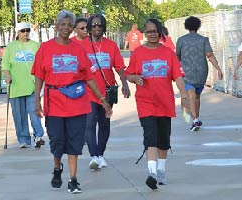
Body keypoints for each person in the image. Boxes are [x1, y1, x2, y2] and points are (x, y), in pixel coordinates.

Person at [31, 10, 112, 194]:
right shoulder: (45, 48)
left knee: (75, 143)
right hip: (55, 102)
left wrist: (102, 99)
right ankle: (57, 167)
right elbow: (38, 77)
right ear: (56, 25)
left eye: (69, 25)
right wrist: (37, 102)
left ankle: (73, 179)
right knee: (57, 141)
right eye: (63, 24)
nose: (66, 28)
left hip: (76, 103)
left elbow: (88, 77)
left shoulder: (78, 49)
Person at [124, 18, 189, 190]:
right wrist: (134, 78)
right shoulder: (138, 53)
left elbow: (178, 76)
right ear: (144, 33)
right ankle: (151, 173)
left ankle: (161, 170)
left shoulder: (168, 53)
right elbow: (128, 74)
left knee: (163, 139)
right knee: (150, 136)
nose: (152, 34)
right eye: (149, 31)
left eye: (155, 31)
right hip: (146, 102)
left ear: (160, 32)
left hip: (164, 102)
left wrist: (184, 95)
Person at [81, 14, 131, 170]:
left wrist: (124, 84)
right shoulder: (82, 46)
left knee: (104, 123)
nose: (97, 27)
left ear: (104, 27)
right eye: (94, 25)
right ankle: (94, 155)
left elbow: (119, 67)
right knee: (89, 123)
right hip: (88, 92)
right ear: (89, 28)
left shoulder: (111, 45)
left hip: (107, 90)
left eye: (100, 25)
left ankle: (100, 154)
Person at [1, 22, 45, 149]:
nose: (25, 33)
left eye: (27, 30)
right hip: (16, 86)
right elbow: (5, 64)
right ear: (17, 32)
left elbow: (41, 62)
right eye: (23, 31)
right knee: (19, 115)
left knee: (34, 112)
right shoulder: (11, 46)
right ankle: (24, 139)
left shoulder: (35, 45)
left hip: (31, 85)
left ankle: (38, 136)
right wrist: (7, 75)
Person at [176, 16, 223, 132]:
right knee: (197, 96)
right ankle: (196, 118)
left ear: (186, 26)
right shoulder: (203, 40)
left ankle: (195, 120)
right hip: (201, 71)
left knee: (190, 96)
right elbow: (209, 55)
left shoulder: (181, 40)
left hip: (186, 72)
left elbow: (177, 56)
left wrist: (176, 70)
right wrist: (218, 68)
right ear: (198, 26)